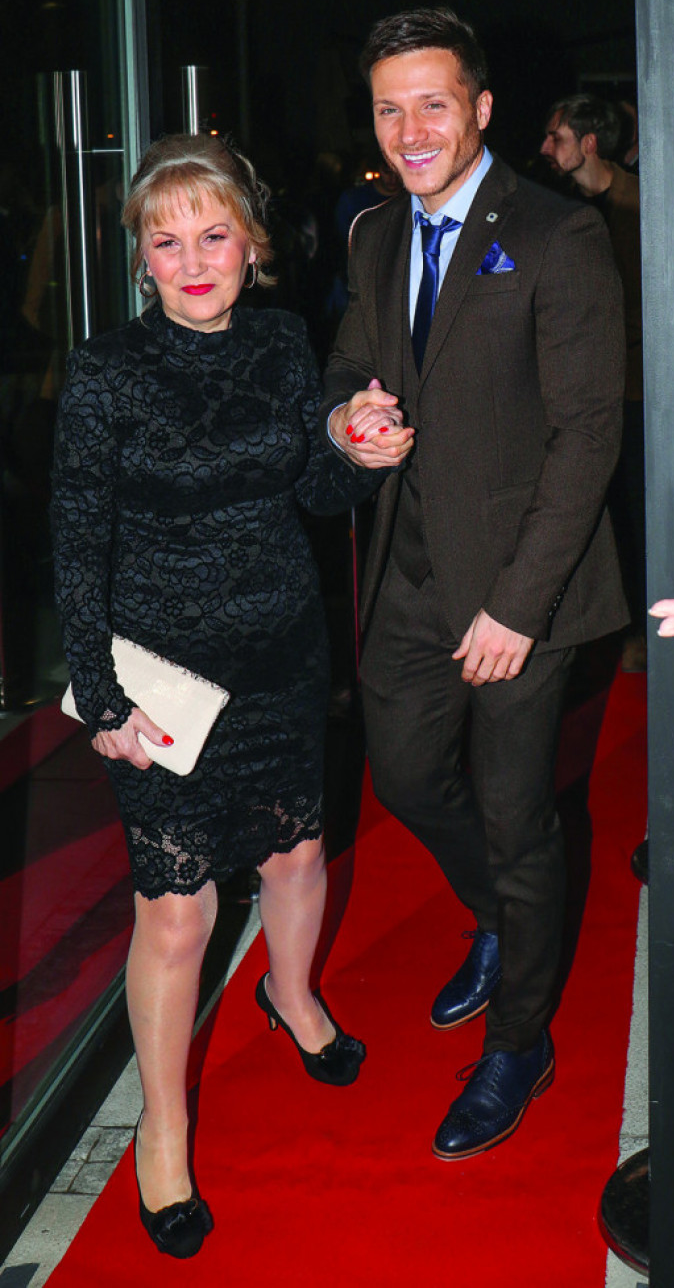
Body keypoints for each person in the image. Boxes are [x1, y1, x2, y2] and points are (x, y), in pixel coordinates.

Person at [51, 134, 412, 1258]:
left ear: (253, 246)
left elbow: (310, 486)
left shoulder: (280, 340)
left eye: (215, 236)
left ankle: (291, 995)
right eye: (167, 242)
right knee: (179, 911)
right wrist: (100, 696)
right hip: (164, 678)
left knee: (298, 854)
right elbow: (76, 545)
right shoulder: (106, 371)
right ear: (141, 258)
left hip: (282, 653)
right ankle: (162, 1130)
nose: (194, 260)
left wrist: (355, 449)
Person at [324, 8, 627, 1161]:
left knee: (517, 815)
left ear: (482, 109)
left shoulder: (558, 233)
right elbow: (352, 363)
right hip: (407, 571)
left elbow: (588, 436)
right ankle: (504, 918)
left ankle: (519, 1042)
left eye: (433, 104)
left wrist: (518, 606)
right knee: (404, 773)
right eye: (389, 108)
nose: (410, 130)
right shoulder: (372, 236)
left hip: (518, 587)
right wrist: (349, 419)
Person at [541, 93, 646, 670]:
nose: (544, 148)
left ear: (588, 143)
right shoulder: (552, 211)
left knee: (631, 510)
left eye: (556, 137)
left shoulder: (641, 204)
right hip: (570, 393)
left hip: (633, 391)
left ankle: (640, 631)